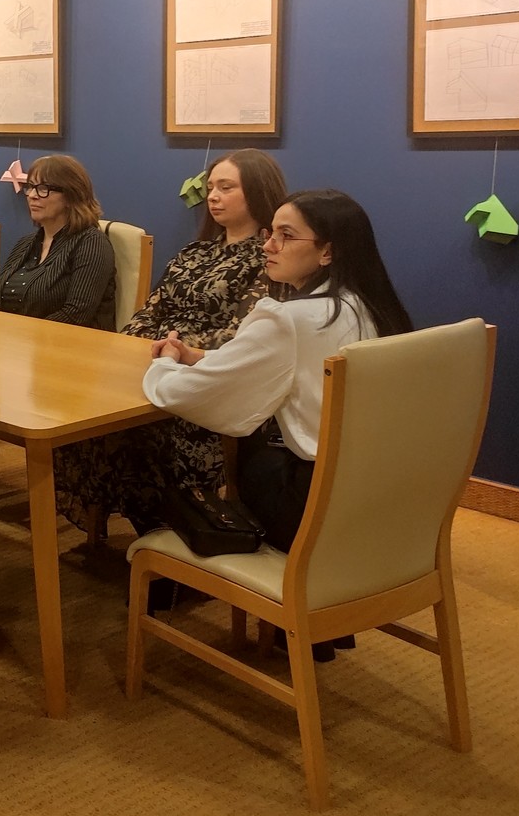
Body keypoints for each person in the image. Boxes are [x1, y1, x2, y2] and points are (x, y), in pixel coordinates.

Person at [144, 189, 412, 553]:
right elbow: (269, 362)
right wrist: (199, 357)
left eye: (286, 235)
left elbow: (187, 395)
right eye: (270, 233)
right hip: (374, 498)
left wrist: (164, 363)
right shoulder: (367, 307)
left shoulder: (287, 318)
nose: (268, 246)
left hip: (308, 508)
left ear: (327, 251)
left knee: (194, 466)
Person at [53, 150, 289, 533]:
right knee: (82, 414)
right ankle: (133, 525)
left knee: (145, 432)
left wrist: (176, 350)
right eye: (211, 187)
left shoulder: (268, 260)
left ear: (257, 192)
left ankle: (174, 526)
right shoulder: (194, 251)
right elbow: (152, 309)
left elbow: (241, 334)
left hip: (208, 376)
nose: (213, 196)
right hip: (156, 359)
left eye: (226, 188)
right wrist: (135, 348)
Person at [0, 154, 116, 329]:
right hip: (13, 340)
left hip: (69, 342)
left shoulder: (92, 243)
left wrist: (22, 335)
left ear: (71, 196)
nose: (32, 195)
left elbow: (76, 314)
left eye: (43, 189)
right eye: (30, 187)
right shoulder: (25, 244)